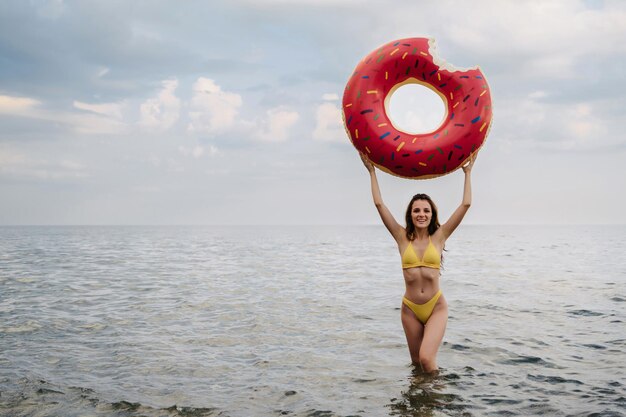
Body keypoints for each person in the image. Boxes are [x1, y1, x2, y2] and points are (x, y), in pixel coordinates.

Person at [361, 152, 476, 373]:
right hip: (410, 310)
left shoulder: (440, 236)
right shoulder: (401, 237)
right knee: (416, 365)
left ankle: (436, 402)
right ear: (410, 214)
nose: (421, 214)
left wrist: (468, 173)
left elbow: (466, 204)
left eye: (426, 210)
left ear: (432, 214)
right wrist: (372, 172)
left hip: (435, 307)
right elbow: (379, 204)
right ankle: (418, 404)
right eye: (416, 210)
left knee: (426, 358)